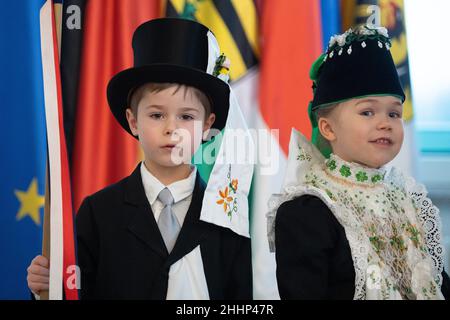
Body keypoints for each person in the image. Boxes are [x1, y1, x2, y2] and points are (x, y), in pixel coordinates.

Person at [27, 18, 252, 299]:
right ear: (133, 121)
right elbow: (77, 291)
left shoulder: (227, 221)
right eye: (157, 115)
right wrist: (47, 288)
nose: (171, 128)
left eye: (186, 116)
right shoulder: (98, 213)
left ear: (208, 124)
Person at [267, 25, 450, 300]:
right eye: (367, 111)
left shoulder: (408, 200)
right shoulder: (308, 211)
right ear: (328, 129)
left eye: (394, 113)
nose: (385, 124)